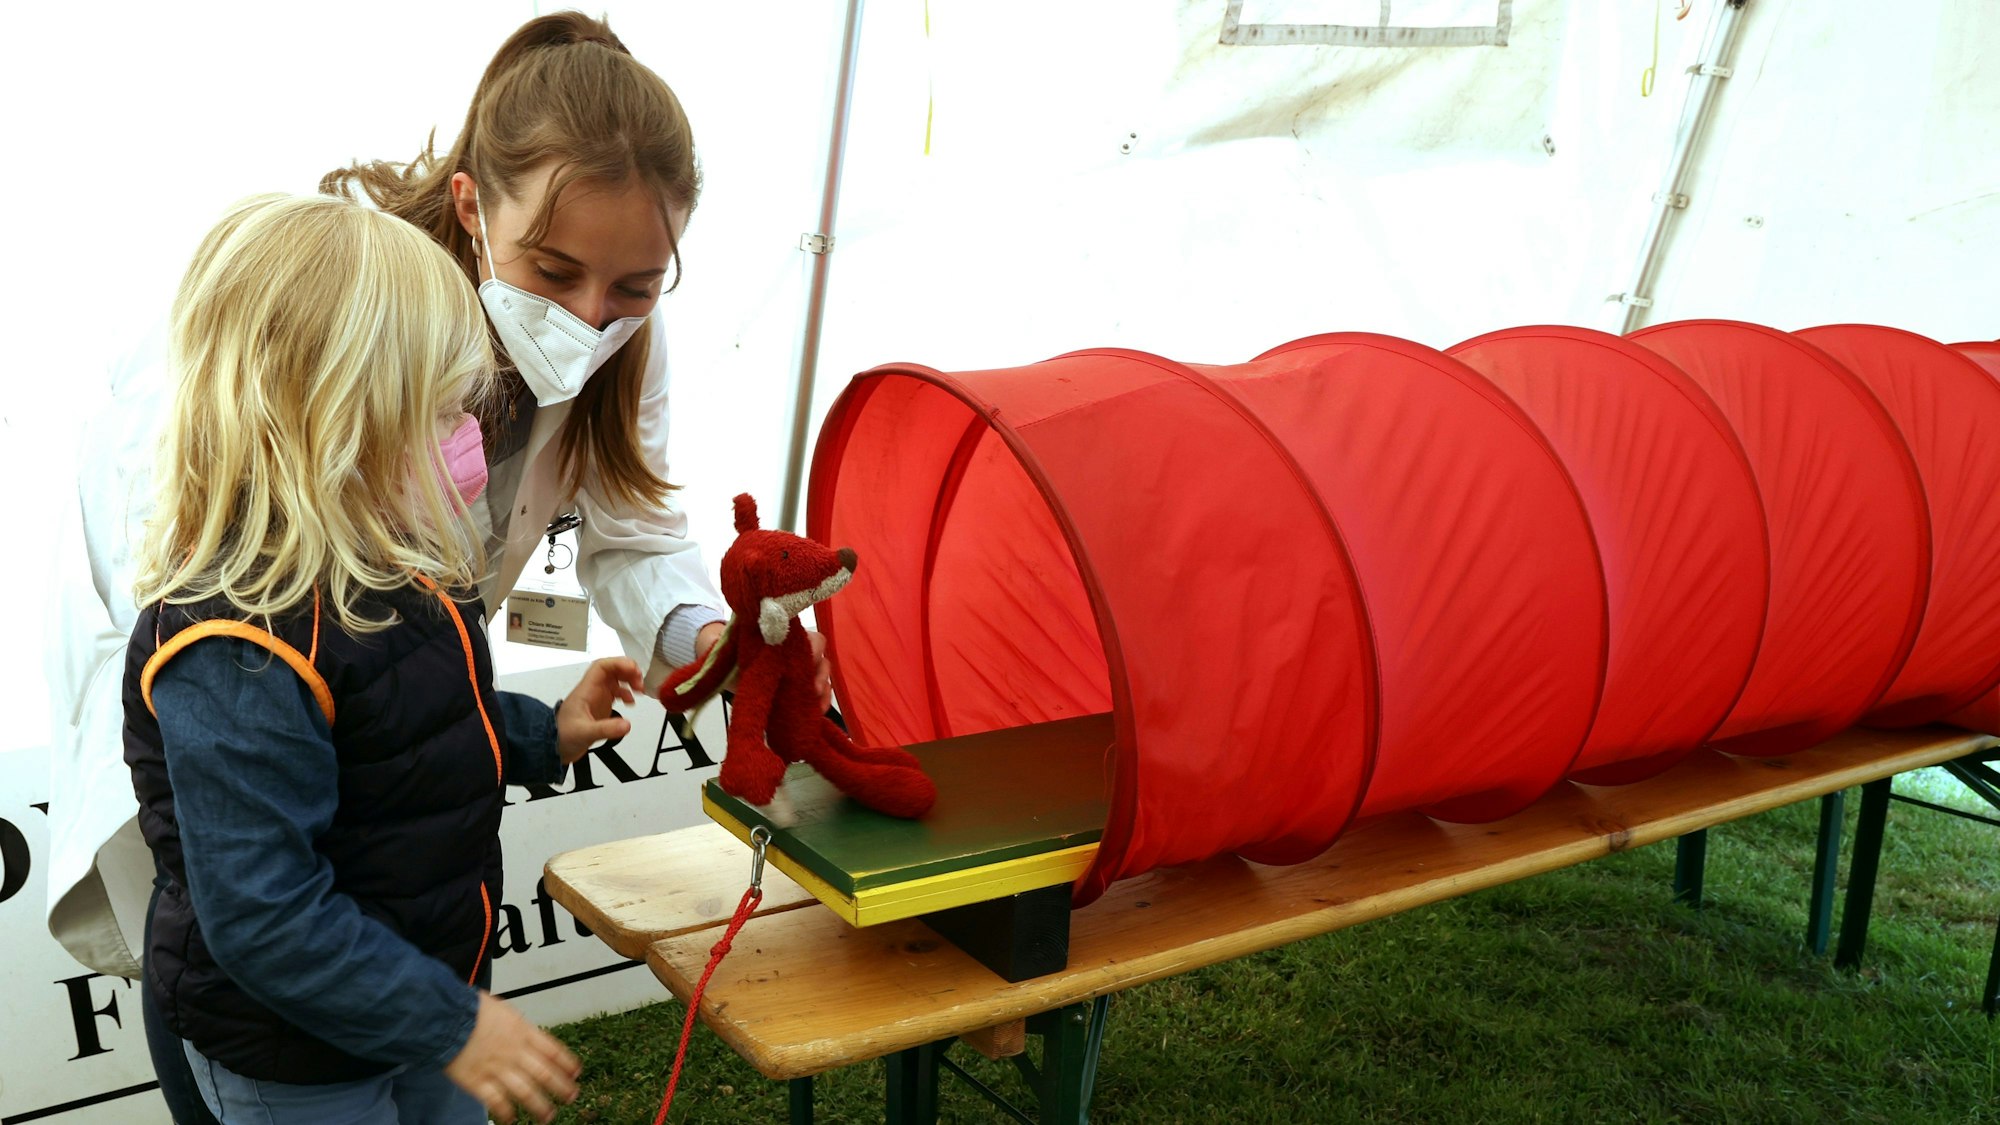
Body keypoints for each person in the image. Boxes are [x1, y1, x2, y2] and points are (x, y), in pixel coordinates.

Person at [45, 12, 832, 1120]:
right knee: (247, 964)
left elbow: (626, 539)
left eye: (636, 288)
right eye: (555, 272)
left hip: (385, 842)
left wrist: (687, 647)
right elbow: (215, 629)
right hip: (266, 900)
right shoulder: (297, 349)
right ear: (471, 207)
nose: (592, 320)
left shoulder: (581, 374)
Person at [128, 192, 629, 1124]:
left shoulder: (396, 561)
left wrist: (543, 731)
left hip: (419, 1003)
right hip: (294, 1055)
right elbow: (267, 916)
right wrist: (448, 1023)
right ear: (326, 425)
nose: (471, 440)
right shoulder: (232, 646)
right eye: (440, 412)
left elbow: (421, 724)